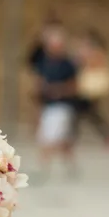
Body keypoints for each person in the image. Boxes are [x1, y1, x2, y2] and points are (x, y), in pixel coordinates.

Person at [32, 24, 79, 180]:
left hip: (62, 106)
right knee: (60, 140)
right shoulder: (45, 63)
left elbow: (74, 86)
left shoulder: (68, 64)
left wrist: (59, 90)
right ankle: (70, 166)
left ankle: (43, 167)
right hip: (48, 105)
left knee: (50, 138)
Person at [73, 28, 109, 149]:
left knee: (87, 112)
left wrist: (85, 58)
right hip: (86, 87)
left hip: (92, 86)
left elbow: (96, 64)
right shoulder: (87, 53)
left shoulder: (97, 53)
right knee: (88, 113)